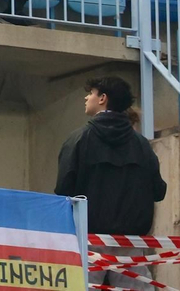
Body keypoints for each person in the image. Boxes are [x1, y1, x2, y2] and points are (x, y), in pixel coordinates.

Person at [54, 76, 165, 261]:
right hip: (131, 242)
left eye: (91, 93)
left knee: (87, 279)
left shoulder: (78, 140)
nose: (86, 98)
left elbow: (63, 190)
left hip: (89, 239)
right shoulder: (142, 145)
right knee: (131, 280)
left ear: (102, 98)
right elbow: (159, 191)